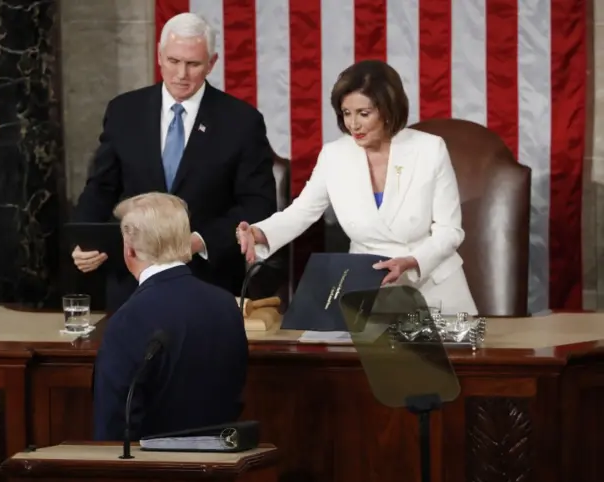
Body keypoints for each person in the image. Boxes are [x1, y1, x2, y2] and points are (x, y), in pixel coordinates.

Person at [236, 60, 478, 315]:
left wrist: (412, 262)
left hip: (432, 288)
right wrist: (259, 233)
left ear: (387, 110)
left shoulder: (430, 149)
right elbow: (301, 212)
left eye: (364, 113)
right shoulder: (335, 155)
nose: (354, 124)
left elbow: (450, 231)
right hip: (370, 287)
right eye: (346, 113)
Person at [72, 12, 277, 312]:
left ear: (212, 62)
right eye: (173, 61)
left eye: (193, 64)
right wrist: (83, 239)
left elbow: (258, 204)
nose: (181, 73)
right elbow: (100, 188)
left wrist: (198, 242)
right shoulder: (124, 111)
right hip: (131, 281)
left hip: (207, 281)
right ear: (159, 55)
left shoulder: (242, 122)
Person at [92, 192, 248, 441]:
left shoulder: (128, 319)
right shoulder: (226, 305)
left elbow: (114, 424)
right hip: (222, 465)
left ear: (129, 250)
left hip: (155, 472)